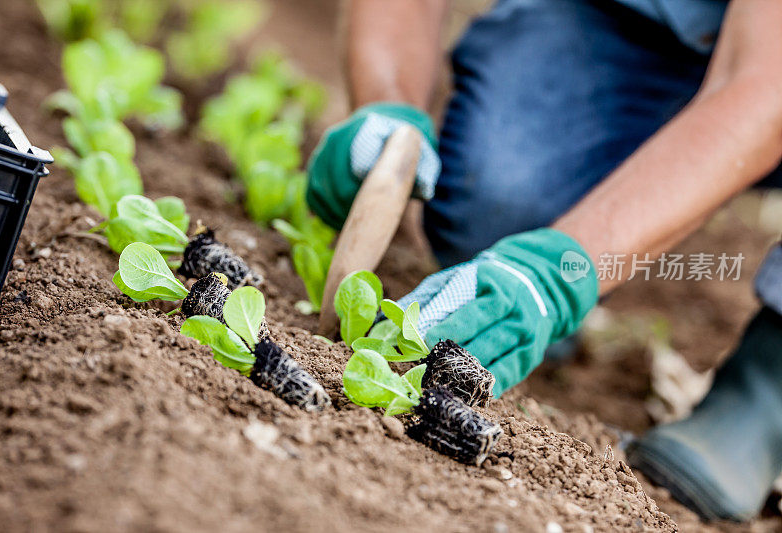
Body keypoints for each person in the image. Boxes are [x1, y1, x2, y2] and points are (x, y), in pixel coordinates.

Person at [305, 0, 782, 522]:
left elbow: (764, 85)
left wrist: (556, 272)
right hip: (640, 22)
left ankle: (770, 381)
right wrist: (388, 104)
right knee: (497, 213)